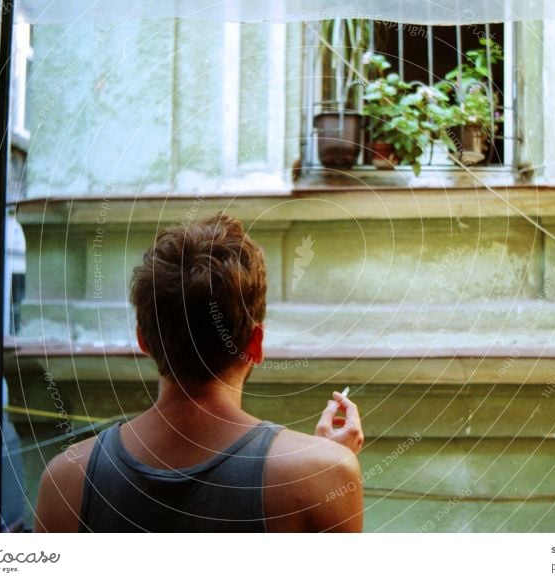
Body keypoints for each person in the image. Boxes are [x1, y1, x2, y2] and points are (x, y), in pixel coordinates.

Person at [34, 213, 364, 532]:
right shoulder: (319, 475)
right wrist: (330, 464)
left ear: (143, 340)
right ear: (256, 344)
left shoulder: (66, 479)